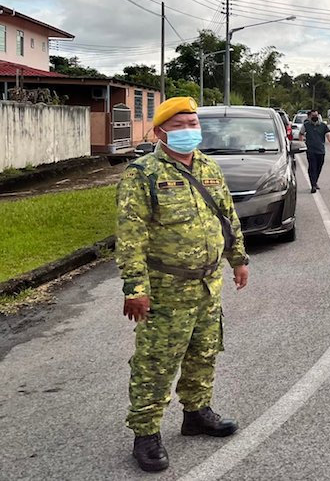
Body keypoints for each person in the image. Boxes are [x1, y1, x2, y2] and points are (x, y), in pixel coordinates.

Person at [115, 96, 249, 473]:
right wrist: (135, 288)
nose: (190, 130)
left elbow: (227, 216)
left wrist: (238, 260)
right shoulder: (141, 174)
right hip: (166, 288)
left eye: (193, 123)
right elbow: (131, 236)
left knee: (204, 352)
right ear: (160, 132)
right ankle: (145, 433)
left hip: (209, 283)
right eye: (180, 125)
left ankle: (196, 413)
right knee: (156, 363)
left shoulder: (208, 167)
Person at [299, 110, 330, 194]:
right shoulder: (306, 125)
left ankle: (315, 181)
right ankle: (313, 185)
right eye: (313, 115)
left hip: (320, 150)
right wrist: (301, 143)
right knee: (312, 167)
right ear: (310, 116)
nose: (315, 117)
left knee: (319, 167)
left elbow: (328, 134)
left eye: (316, 115)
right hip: (310, 150)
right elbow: (301, 134)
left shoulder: (323, 125)